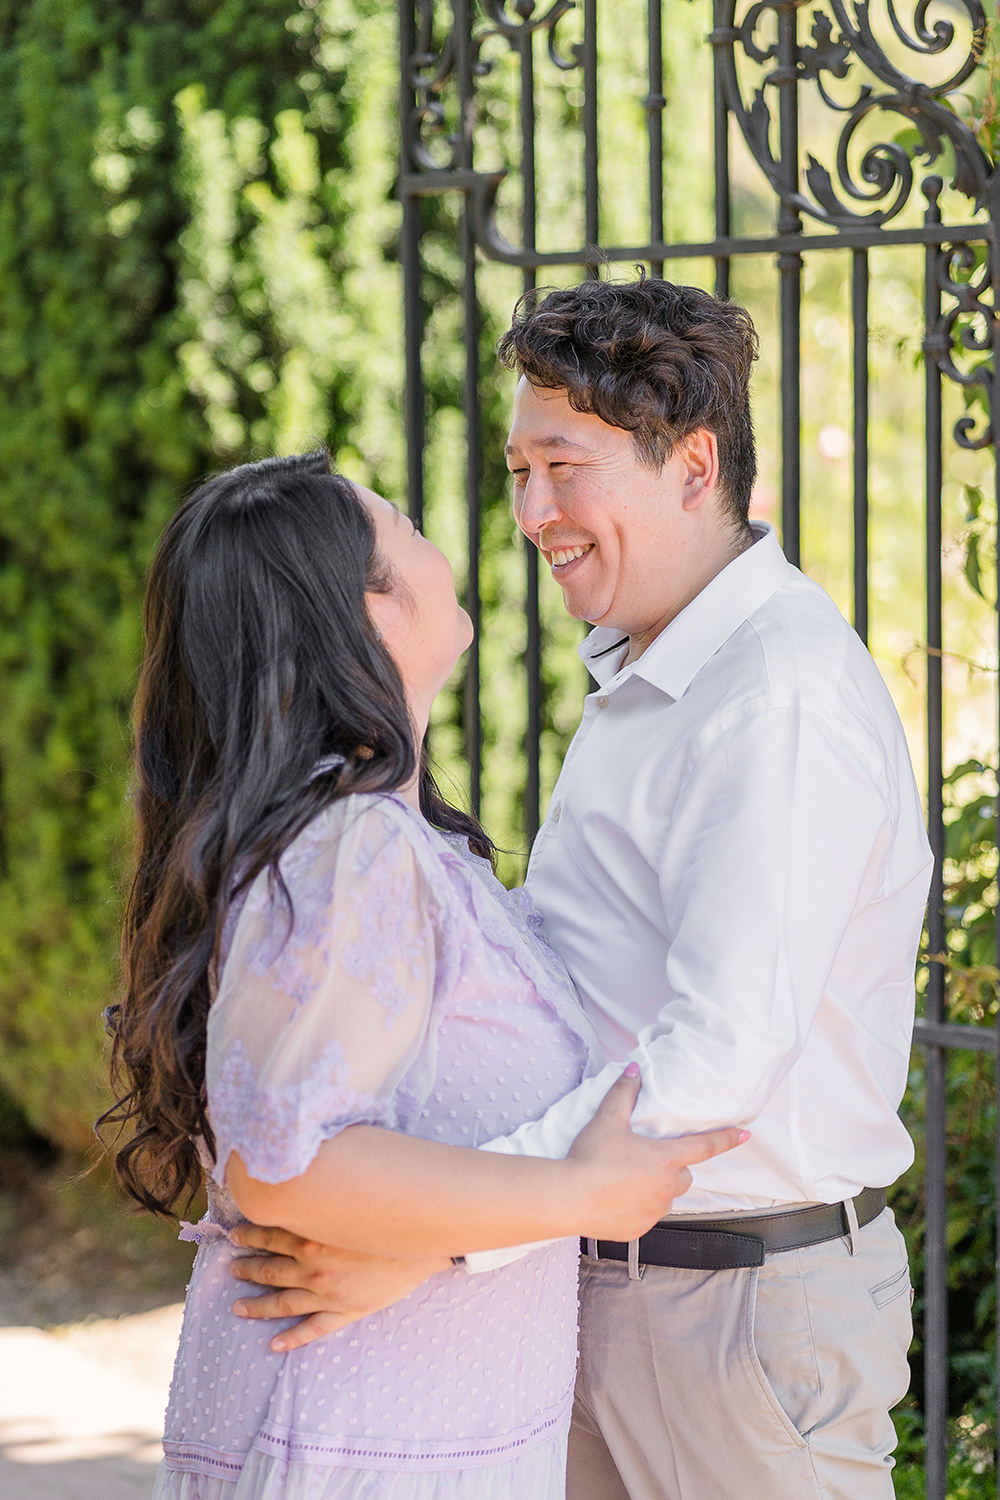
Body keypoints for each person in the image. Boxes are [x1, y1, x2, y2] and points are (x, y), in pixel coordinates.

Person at [228, 278, 933, 1500]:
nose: (530, 512)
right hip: (606, 1280)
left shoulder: (776, 699)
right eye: (516, 472)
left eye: (563, 467)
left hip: (732, 1314)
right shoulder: (653, 670)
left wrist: (443, 1238)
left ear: (695, 465)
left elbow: (716, 1061)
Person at [99, 449, 743, 1500]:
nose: (444, 536)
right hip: (356, 1443)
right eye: (402, 523)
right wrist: (577, 1193)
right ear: (367, 609)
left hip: (399, 1428)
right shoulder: (351, 848)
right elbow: (287, 1165)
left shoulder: (387, 842)